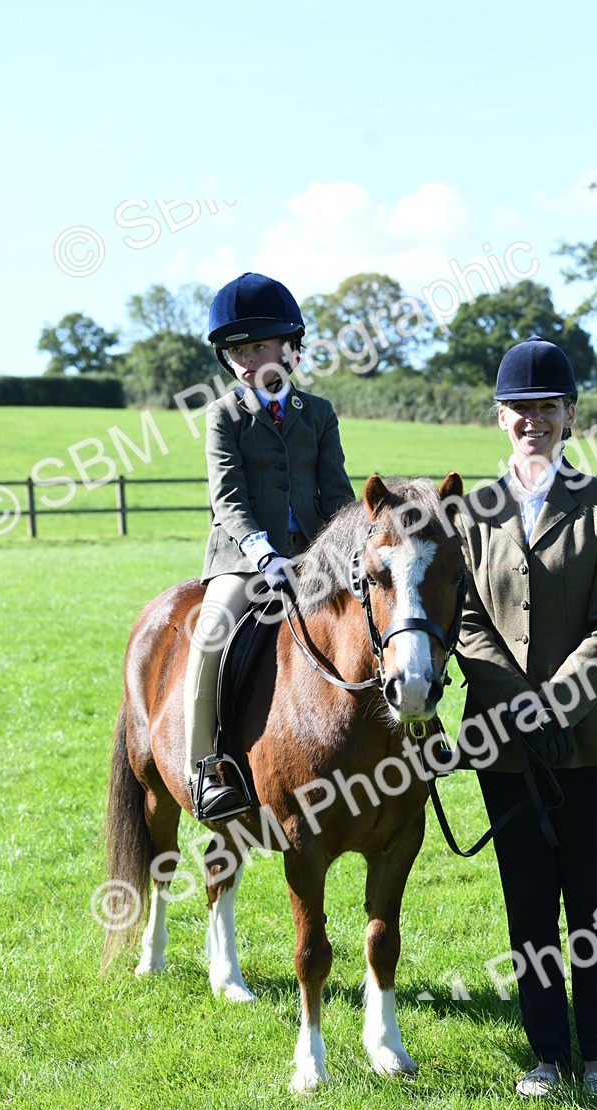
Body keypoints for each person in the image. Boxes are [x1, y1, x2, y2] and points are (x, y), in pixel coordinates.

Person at [455, 334, 597, 1097]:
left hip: (595, 736)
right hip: (505, 742)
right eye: (520, 408)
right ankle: (546, 1053)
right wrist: (518, 705)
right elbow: (467, 622)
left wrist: (555, 703)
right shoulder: (470, 511)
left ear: (570, 414)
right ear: (500, 417)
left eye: (548, 406)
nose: (533, 419)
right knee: (527, 897)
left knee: (593, 897)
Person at [183, 272, 355, 821]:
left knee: (382, 613)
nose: (249, 359)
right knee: (210, 636)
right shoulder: (223, 417)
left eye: (259, 345)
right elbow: (227, 496)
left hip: (314, 558)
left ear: (291, 348)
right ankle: (205, 767)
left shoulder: (319, 414)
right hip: (242, 560)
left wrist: (346, 549)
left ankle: (419, 732)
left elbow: (338, 494)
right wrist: (261, 552)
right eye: (238, 350)